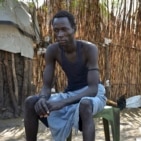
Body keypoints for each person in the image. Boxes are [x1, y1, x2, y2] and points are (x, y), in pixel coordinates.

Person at [23, 10, 107, 141]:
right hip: (71, 93)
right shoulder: (53, 50)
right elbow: (46, 85)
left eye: (64, 29)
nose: (60, 34)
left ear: (74, 29)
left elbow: (93, 89)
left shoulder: (89, 49)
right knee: (30, 102)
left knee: (85, 104)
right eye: (56, 31)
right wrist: (43, 98)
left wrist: (63, 103)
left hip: (93, 93)